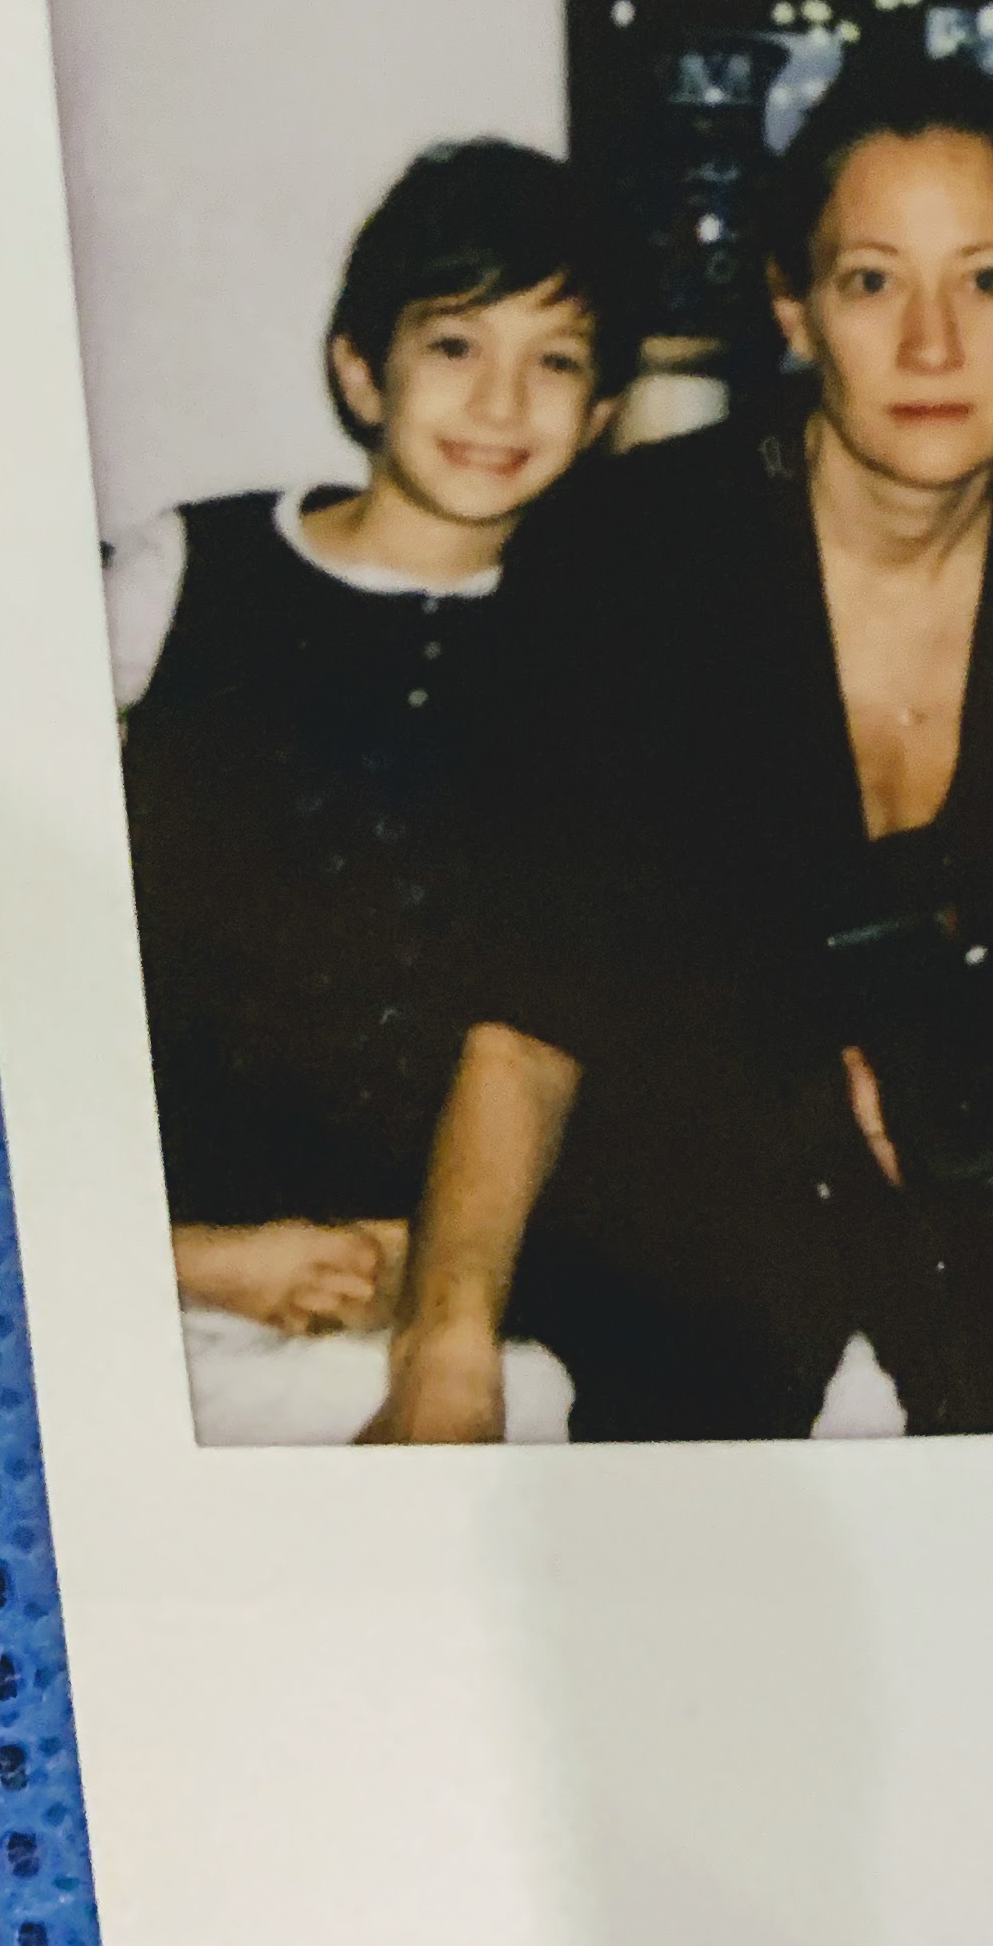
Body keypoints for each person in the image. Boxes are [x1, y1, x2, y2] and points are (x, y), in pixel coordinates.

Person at [371, 32, 993, 1446]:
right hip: (706, 1208)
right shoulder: (639, 550)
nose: (932, 347)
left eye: (986, 282)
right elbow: (529, 1010)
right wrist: (445, 1346)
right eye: (872, 281)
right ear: (795, 311)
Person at [106, 138, 639, 1445]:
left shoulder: (610, 649)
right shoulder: (193, 572)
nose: (501, 402)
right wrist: (180, 1253)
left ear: (604, 411)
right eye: (455, 344)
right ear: (361, 369)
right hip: (159, 1252)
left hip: (444, 1285)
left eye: (556, 361)